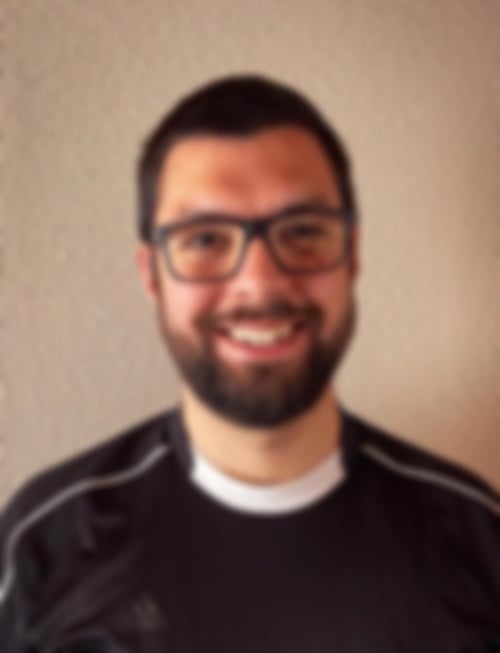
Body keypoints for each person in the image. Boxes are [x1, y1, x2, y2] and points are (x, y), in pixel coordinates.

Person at [1, 75, 499, 653]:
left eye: (303, 231)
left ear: (353, 255)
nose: (259, 283)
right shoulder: (44, 547)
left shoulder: (477, 539)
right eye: (204, 239)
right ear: (151, 275)